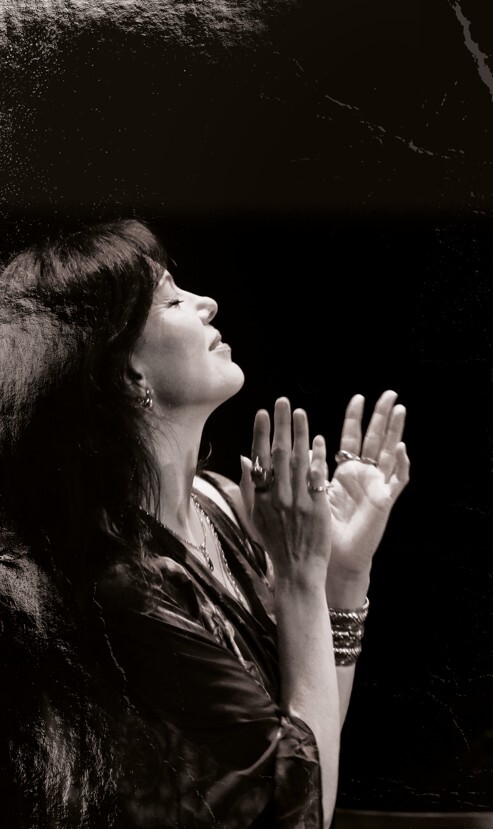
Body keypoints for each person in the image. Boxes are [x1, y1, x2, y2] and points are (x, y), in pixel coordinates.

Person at [0, 218, 409, 828]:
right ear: (127, 374)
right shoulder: (120, 581)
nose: (208, 303)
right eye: (171, 301)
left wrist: (344, 576)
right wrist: (301, 578)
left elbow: (303, 750)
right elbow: (297, 812)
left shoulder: (221, 503)